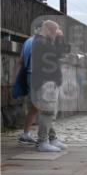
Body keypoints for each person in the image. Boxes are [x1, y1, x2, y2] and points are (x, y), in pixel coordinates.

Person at [30, 20, 71, 152]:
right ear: (48, 30)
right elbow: (59, 52)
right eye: (55, 32)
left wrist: (59, 37)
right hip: (46, 82)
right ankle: (42, 141)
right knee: (47, 112)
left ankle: (51, 138)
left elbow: (65, 50)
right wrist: (59, 38)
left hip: (51, 81)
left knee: (51, 113)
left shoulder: (44, 41)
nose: (56, 35)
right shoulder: (40, 42)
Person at [17, 25, 41, 145]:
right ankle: (44, 137)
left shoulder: (28, 41)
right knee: (39, 106)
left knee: (34, 107)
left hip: (29, 75)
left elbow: (21, 61)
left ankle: (26, 134)